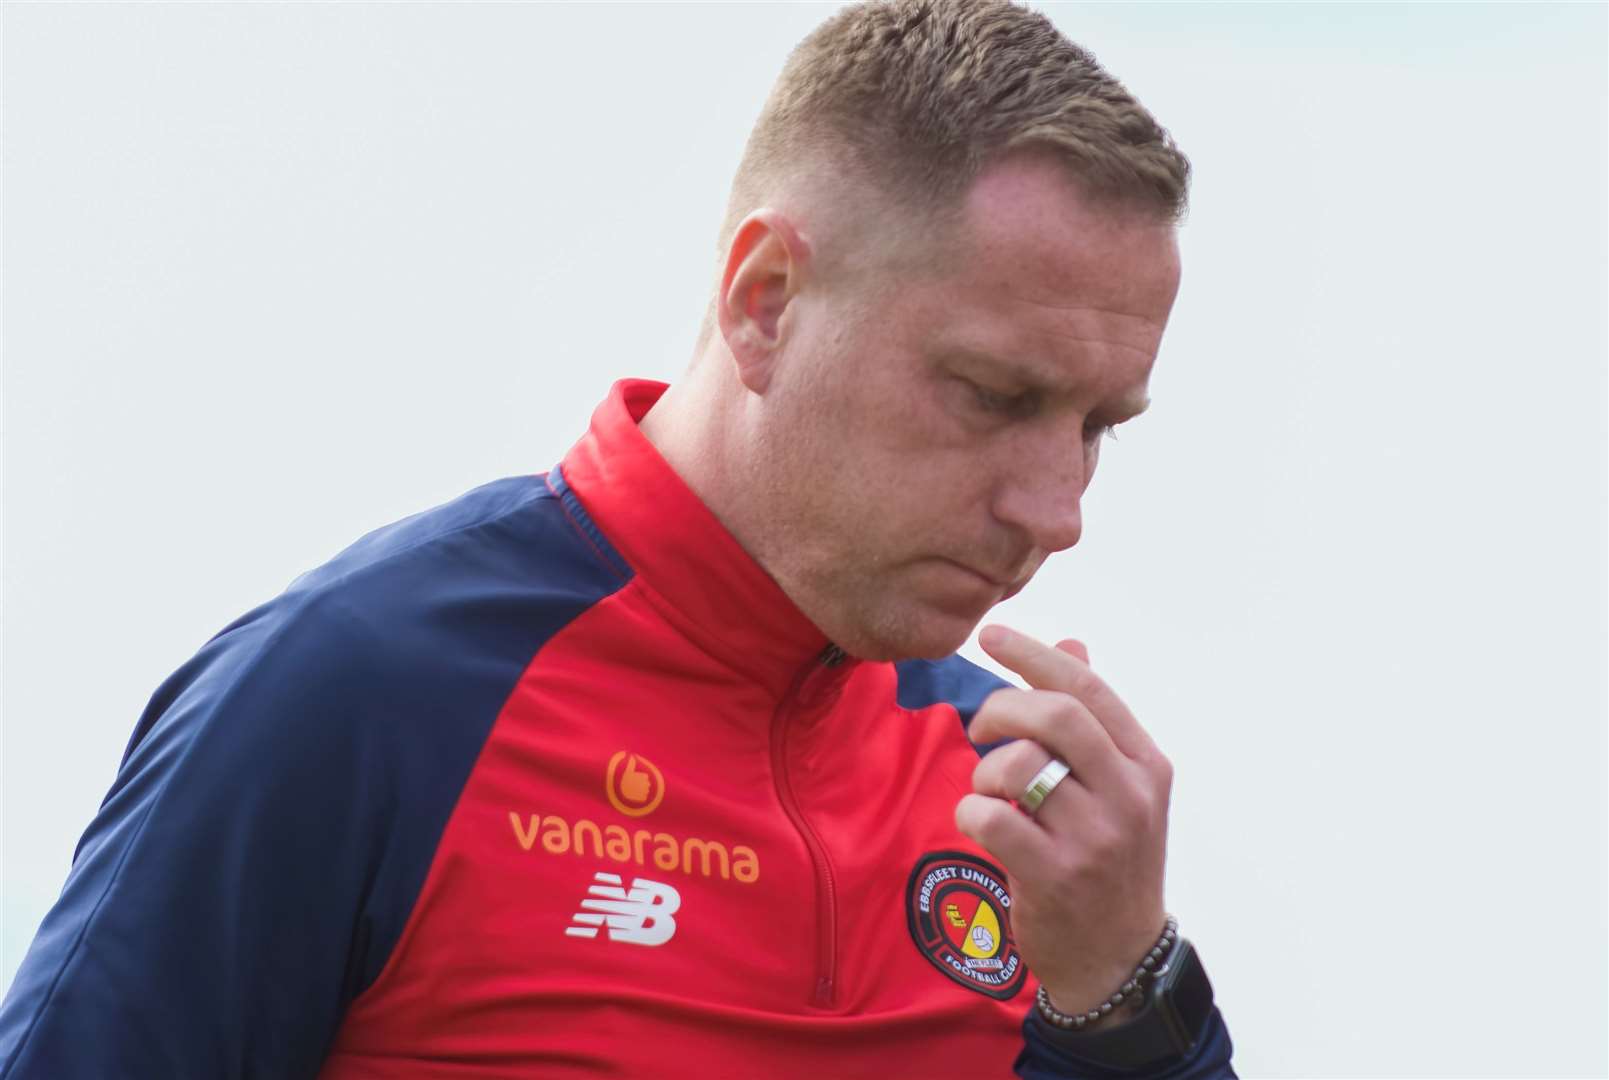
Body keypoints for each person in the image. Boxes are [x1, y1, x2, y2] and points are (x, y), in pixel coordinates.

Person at [0, 1, 1236, 1076]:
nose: (1055, 511)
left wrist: (1127, 997)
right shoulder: (360, 692)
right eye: (991, 394)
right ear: (766, 304)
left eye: (1098, 429)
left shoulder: (1016, 799)